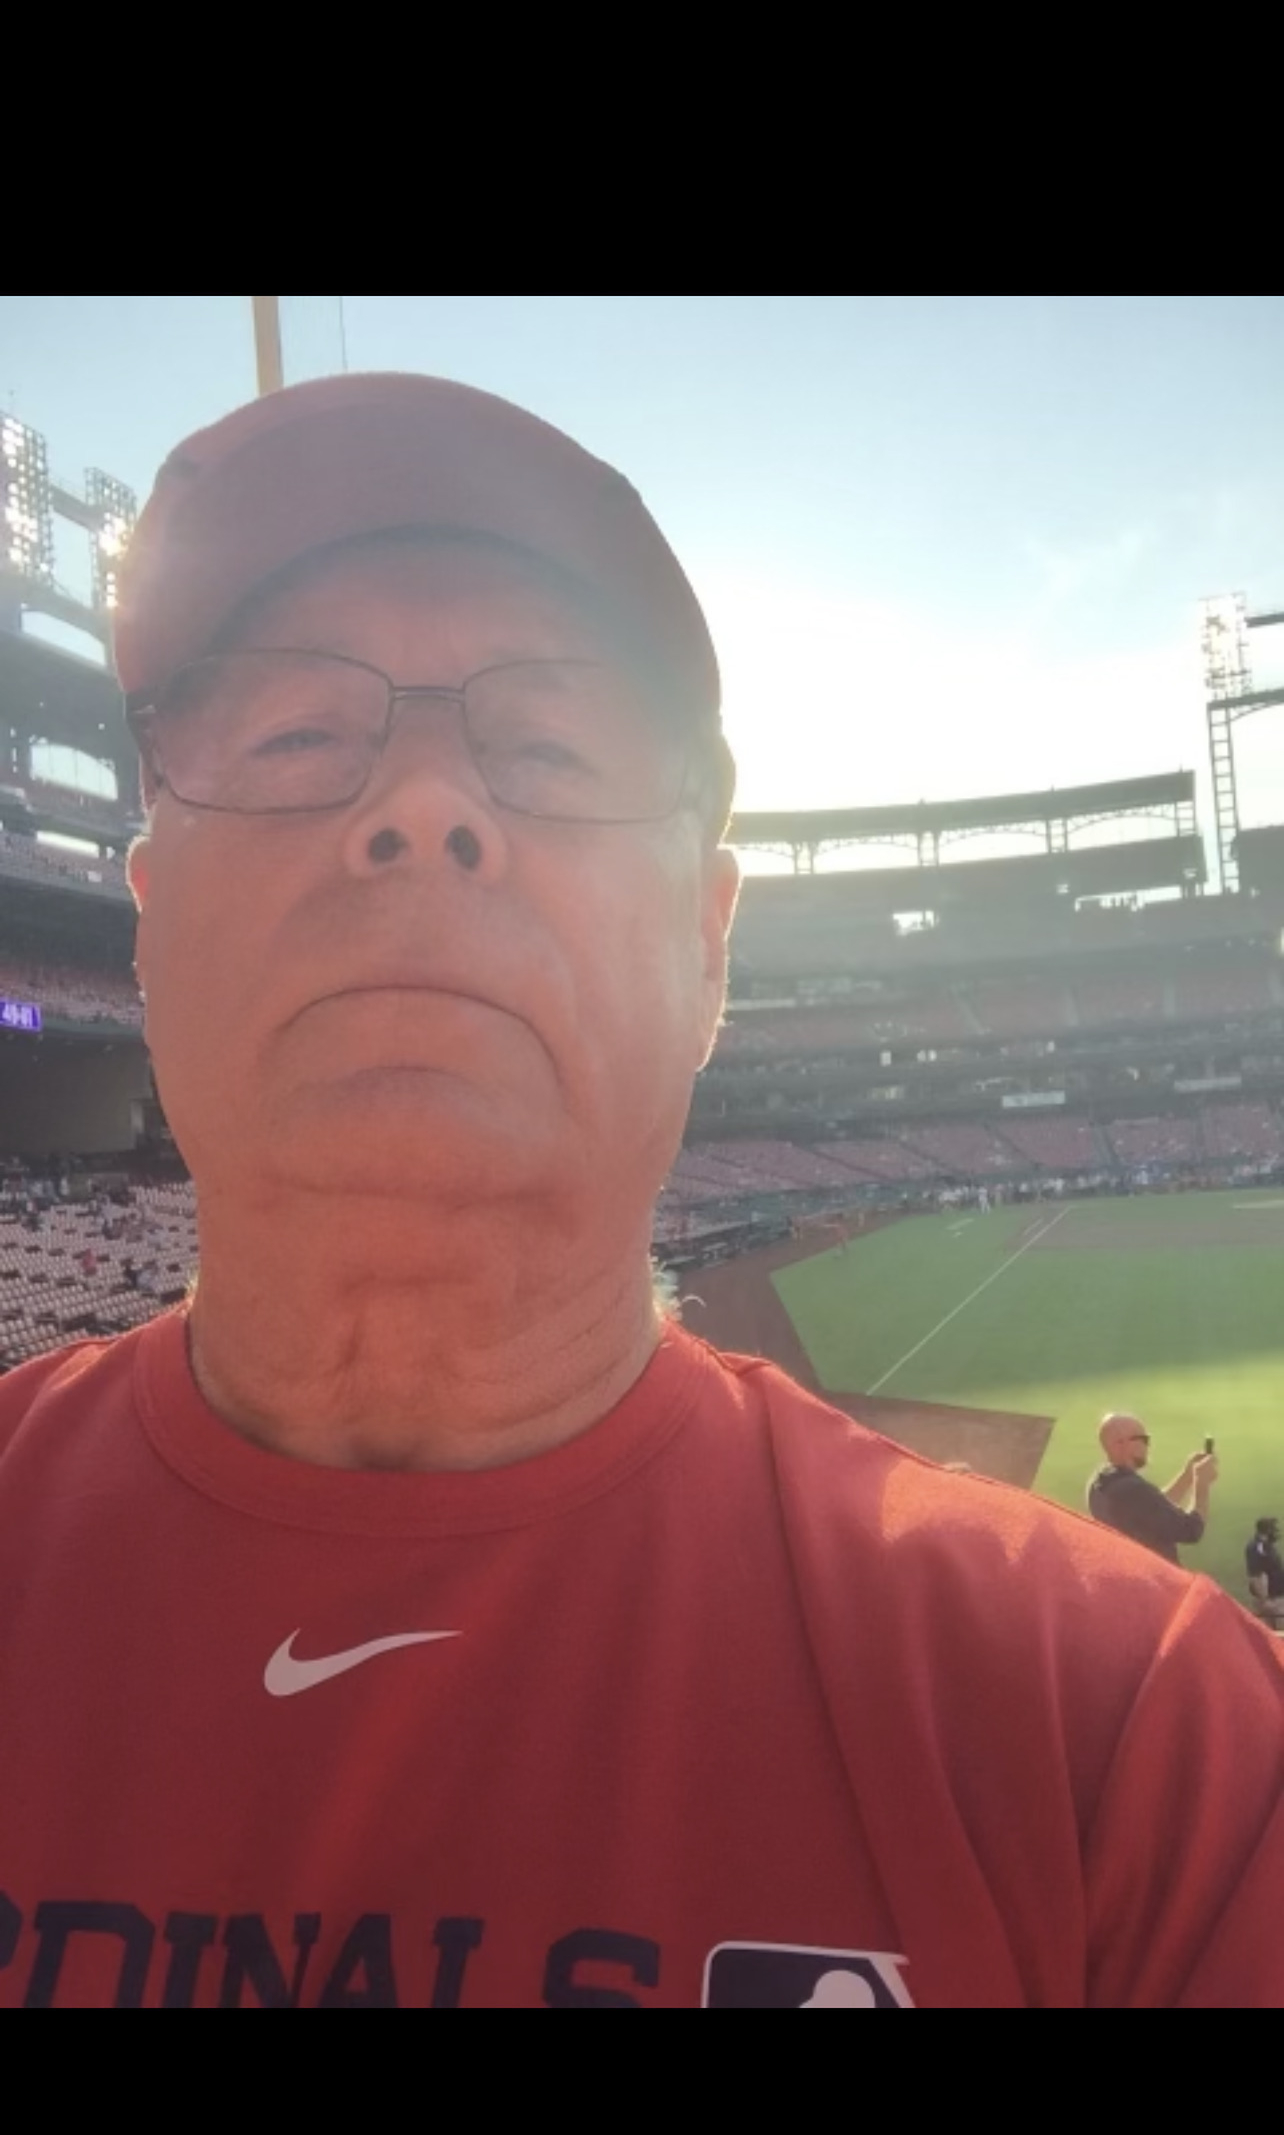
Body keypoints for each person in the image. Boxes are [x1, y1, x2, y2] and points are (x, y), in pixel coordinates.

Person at [0, 370, 1282, 2012]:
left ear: (705, 947)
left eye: (548, 746)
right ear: (149, 911)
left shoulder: (1139, 1743)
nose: (421, 808)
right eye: (296, 733)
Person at [1086, 1414, 1217, 1567]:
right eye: (1143, 1439)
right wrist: (1202, 1484)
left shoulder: (1101, 1481)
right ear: (1120, 1444)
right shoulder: (1131, 1489)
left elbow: (1154, 1507)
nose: (1148, 1445)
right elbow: (1191, 1530)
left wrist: (1188, 1475)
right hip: (1154, 1575)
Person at [1244, 1517, 1284, 1631]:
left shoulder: (1265, 1546)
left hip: (1274, 1598)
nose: (1275, 1532)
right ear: (1266, 1531)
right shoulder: (1258, 1548)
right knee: (1274, 1634)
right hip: (1271, 1599)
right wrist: (1264, 1600)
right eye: (1273, 1529)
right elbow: (1257, 1575)